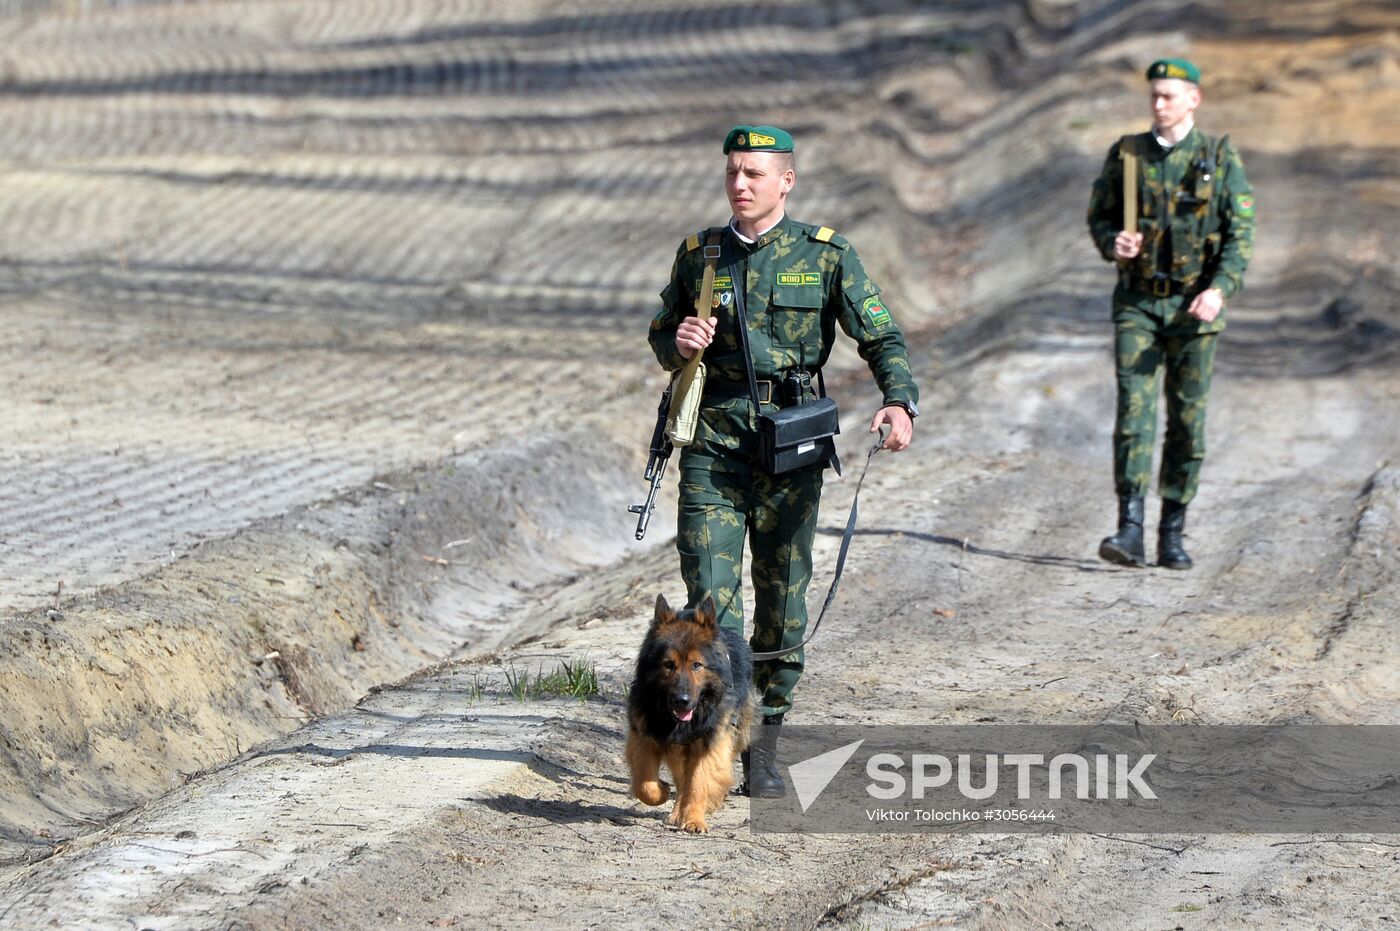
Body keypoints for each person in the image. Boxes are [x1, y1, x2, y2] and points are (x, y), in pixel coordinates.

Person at [647, 125, 919, 797]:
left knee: (783, 606)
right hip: (715, 443)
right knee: (710, 603)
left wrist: (898, 400)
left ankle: (763, 746)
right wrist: (679, 340)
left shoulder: (825, 255)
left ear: (786, 181)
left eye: (754, 174)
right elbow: (662, 335)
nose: (740, 184)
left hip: (791, 446)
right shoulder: (700, 256)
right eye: (732, 172)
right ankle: (714, 739)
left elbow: (880, 334)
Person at [1087, 59, 1255, 570]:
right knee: (1133, 417)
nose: (1158, 105)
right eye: (1154, 96)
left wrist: (1219, 290)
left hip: (1194, 308)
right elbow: (1099, 216)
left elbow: (1240, 235)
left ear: (1193, 99)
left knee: (1187, 421)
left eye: (1168, 96)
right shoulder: (1127, 154)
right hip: (1138, 303)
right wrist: (1113, 242)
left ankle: (1172, 533)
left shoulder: (1218, 157)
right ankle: (1129, 529)